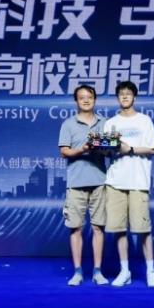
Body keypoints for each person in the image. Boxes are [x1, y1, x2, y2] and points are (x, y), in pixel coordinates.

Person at [104, 81, 154, 288]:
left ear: (134, 97)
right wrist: (105, 148)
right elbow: (106, 151)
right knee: (119, 229)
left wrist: (129, 149)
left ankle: (151, 271)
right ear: (117, 98)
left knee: (143, 229)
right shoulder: (110, 123)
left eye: (128, 93)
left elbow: (153, 149)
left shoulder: (144, 121)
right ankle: (124, 271)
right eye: (121, 94)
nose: (125, 96)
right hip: (115, 181)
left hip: (138, 181)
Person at [58, 84, 109, 286]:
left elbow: (111, 151)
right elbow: (64, 151)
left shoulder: (105, 123)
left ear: (95, 100)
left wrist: (100, 148)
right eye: (82, 97)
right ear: (76, 101)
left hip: (100, 182)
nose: (86, 100)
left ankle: (98, 271)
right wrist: (83, 149)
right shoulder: (68, 124)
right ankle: (78, 272)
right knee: (76, 228)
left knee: (98, 228)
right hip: (76, 183)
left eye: (89, 97)